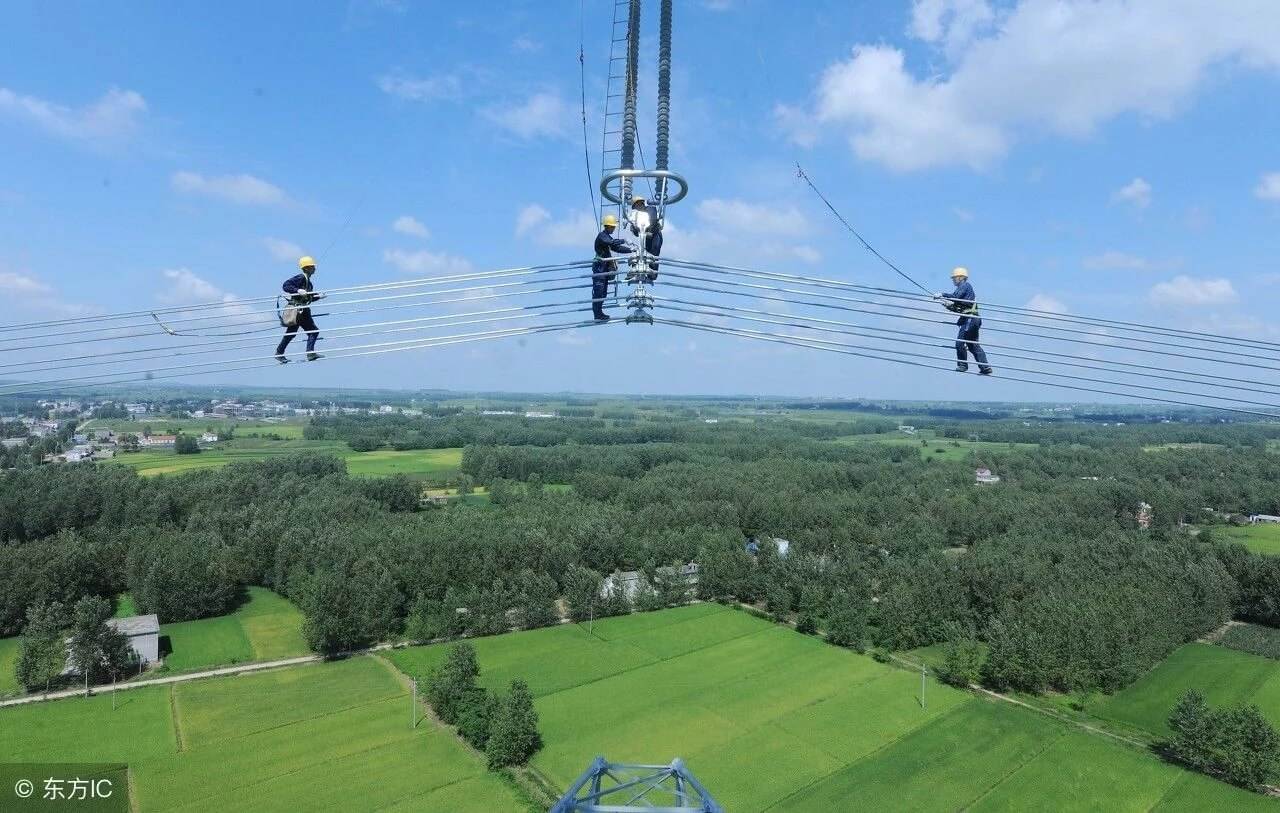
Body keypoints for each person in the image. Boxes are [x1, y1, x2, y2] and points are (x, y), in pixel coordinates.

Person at [937, 266, 993, 375]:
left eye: (954, 278)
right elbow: (960, 305)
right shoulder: (966, 288)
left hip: (970, 319)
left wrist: (942, 295)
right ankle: (985, 367)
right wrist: (948, 305)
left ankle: (962, 365)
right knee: (973, 345)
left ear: (961, 277)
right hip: (973, 319)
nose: (953, 280)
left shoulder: (965, 286)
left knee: (959, 343)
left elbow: (955, 297)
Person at [275, 255, 325, 363]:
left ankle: (282, 353)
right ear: (306, 268)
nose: (314, 268)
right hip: (298, 310)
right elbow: (286, 285)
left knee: (310, 332)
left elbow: (308, 297)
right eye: (312, 266)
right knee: (310, 331)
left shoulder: (309, 282)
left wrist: (318, 296)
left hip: (303, 310)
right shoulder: (301, 277)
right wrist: (297, 290)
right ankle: (309, 353)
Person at [592, 214, 634, 321]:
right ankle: (597, 315)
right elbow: (611, 242)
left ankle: (600, 313)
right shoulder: (602, 236)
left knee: (603, 292)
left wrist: (631, 250)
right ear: (608, 226)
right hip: (599, 267)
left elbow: (617, 248)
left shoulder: (608, 237)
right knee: (599, 291)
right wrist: (623, 240)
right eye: (613, 226)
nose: (614, 228)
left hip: (605, 267)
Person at [628, 195, 662, 282]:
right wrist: (634, 228)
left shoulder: (651, 209)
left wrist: (649, 231)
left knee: (654, 253)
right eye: (635, 207)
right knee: (645, 253)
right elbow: (637, 232)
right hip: (645, 237)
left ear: (640, 203)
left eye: (636, 206)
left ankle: (653, 275)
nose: (636, 208)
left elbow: (652, 220)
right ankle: (645, 272)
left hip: (655, 236)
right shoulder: (638, 215)